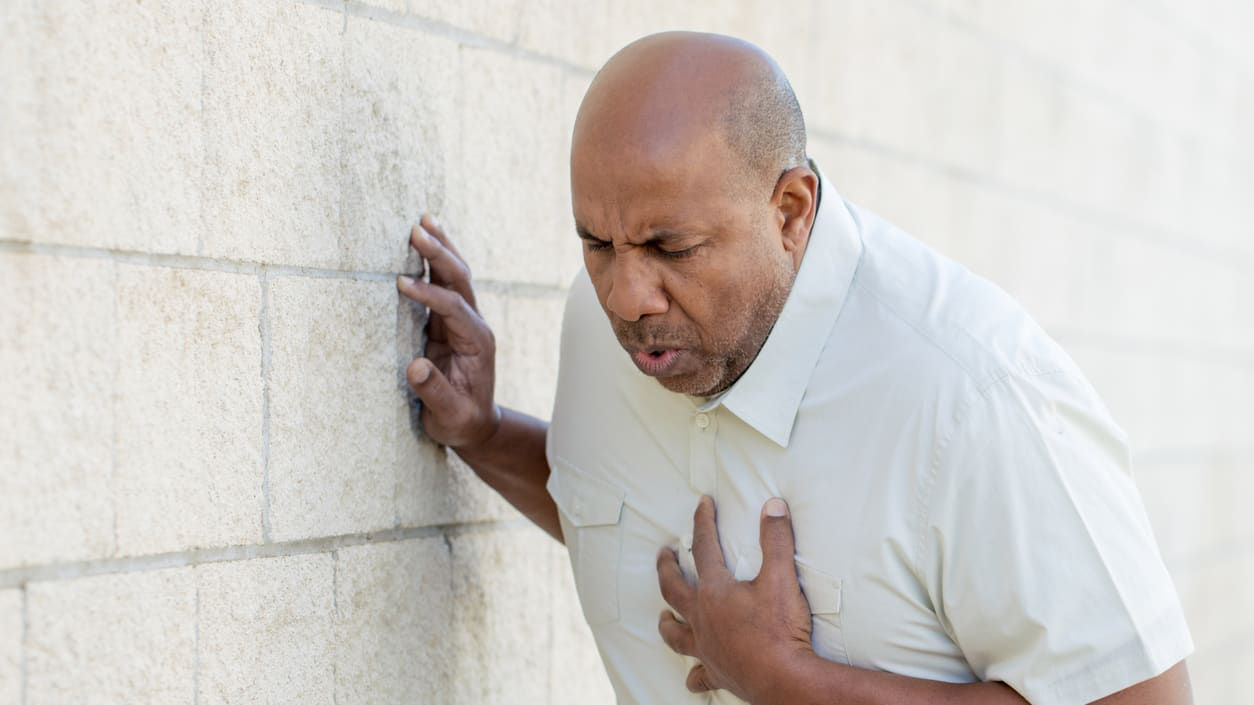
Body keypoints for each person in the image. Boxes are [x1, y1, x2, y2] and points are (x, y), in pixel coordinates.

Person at [395, 31, 1194, 705]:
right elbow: (614, 501)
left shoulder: (974, 394)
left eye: (672, 248)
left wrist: (790, 680)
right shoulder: (608, 322)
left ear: (790, 211)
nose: (627, 294)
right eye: (596, 244)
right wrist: (486, 432)